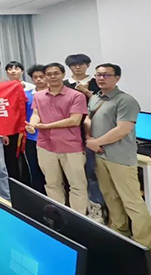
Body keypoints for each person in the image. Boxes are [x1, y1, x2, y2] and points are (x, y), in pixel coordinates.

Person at [84, 64, 151, 248]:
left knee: (132, 201)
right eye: (98, 75)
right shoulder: (96, 97)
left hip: (120, 158)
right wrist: (89, 137)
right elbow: (89, 119)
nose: (101, 78)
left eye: (106, 75)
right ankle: (120, 233)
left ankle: (143, 243)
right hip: (100, 156)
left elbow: (122, 129)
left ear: (117, 78)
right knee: (111, 197)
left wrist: (96, 142)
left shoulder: (126, 100)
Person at [26, 62, 89, 215]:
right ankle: (58, 217)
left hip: (70, 147)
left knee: (77, 185)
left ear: (63, 75)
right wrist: (32, 124)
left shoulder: (76, 95)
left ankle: (79, 218)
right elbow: (36, 114)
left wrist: (47, 126)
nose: (52, 76)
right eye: (49, 74)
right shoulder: (39, 96)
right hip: (45, 146)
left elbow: (75, 120)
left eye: (56, 73)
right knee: (52, 184)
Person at [64, 53, 105, 222]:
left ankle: (97, 208)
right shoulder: (65, 85)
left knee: (92, 172)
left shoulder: (97, 83)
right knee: (73, 173)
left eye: (81, 64)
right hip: (69, 135)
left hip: (94, 133)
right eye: (73, 65)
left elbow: (105, 106)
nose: (77, 67)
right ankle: (77, 208)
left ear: (87, 65)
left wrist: (86, 92)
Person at [24, 65, 47, 194]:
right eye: (35, 77)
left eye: (41, 77)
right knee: (34, 168)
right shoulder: (26, 95)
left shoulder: (54, 94)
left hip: (51, 137)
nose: (38, 79)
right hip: (32, 137)